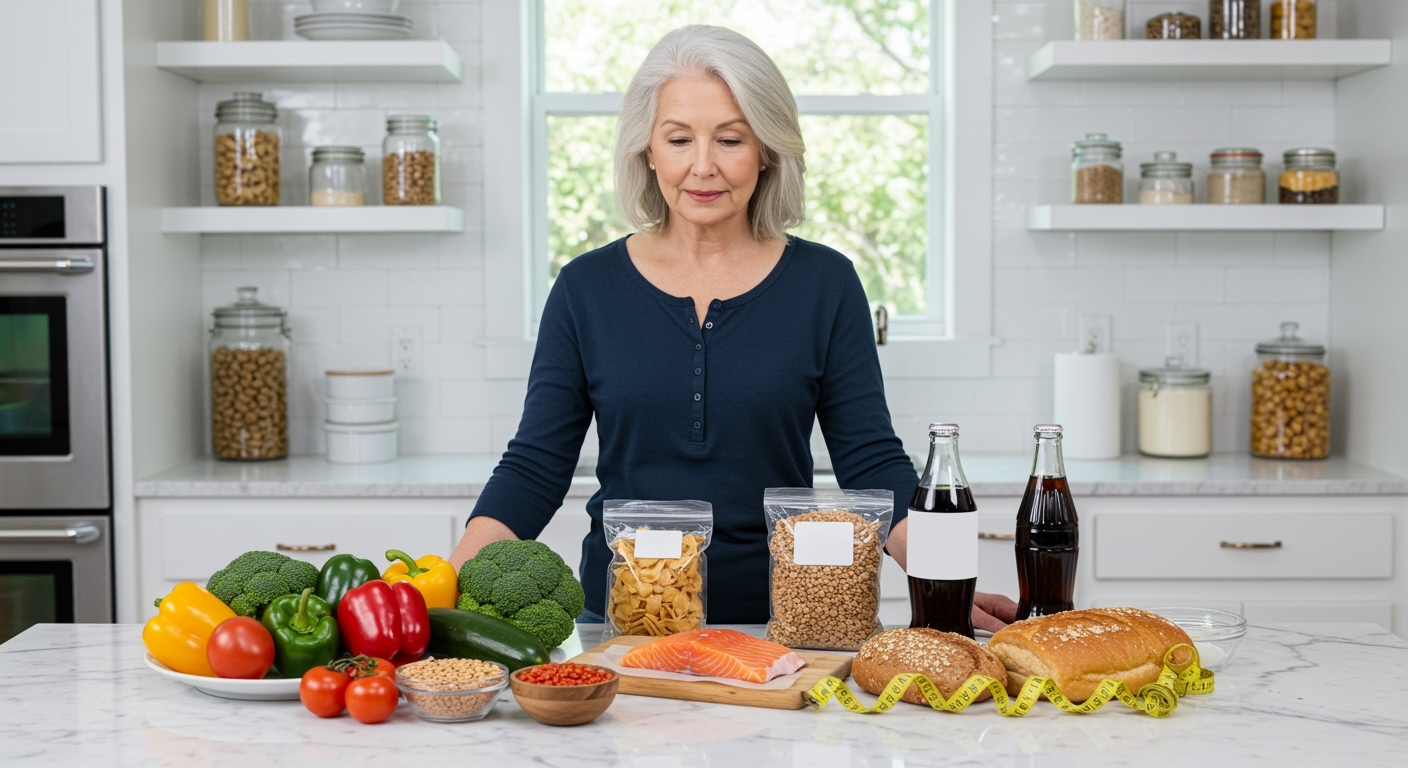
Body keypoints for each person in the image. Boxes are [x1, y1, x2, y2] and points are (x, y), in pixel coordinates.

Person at [449, 25, 1016, 631]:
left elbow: (870, 457)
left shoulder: (825, 285)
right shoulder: (585, 289)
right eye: (678, 138)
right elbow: (536, 466)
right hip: (624, 621)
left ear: (767, 148)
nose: (703, 166)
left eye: (730, 139)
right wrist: (442, 586)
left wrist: (949, 583)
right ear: (647, 148)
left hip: (785, 627)